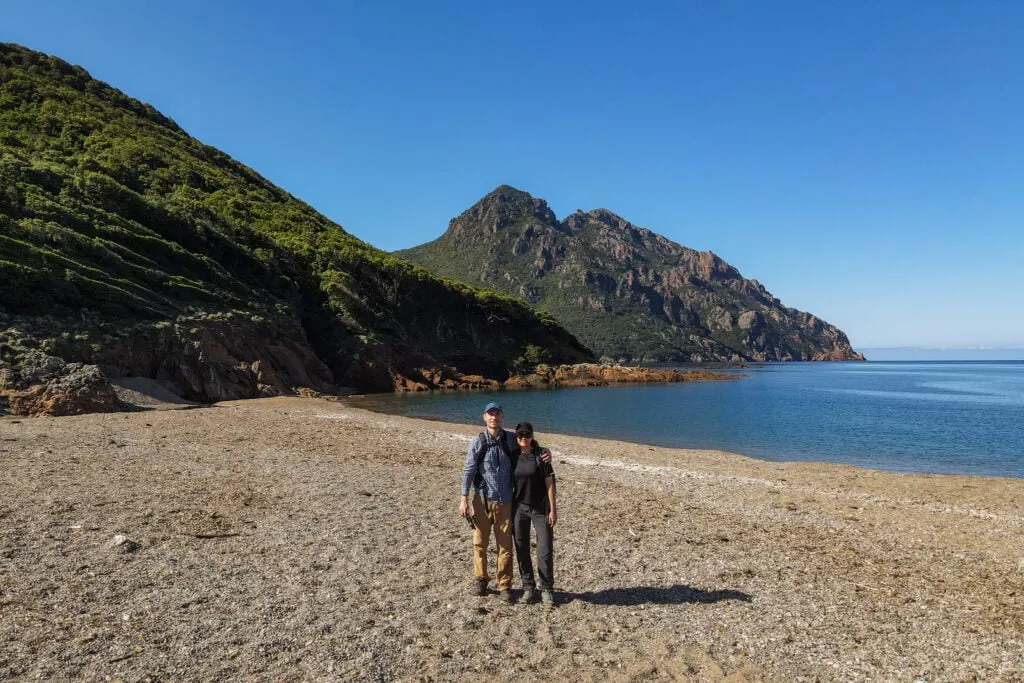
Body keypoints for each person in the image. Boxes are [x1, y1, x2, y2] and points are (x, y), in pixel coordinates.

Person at [459, 401, 518, 601]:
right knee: (480, 543)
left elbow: (530, 445)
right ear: (484, 417)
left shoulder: (511, 439)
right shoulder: (478, 442)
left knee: (505, 545)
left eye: (497, 414)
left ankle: (504, 585)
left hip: (506, 501)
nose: (494, 417)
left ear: (502, 417)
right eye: (490, 414)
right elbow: (468, 469)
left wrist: (545, 451)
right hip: (482, 500)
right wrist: (463, 498)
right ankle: (481, 579)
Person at [511, 421, 557, 606]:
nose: (524, 438)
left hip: (540, 508)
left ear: (532, 436)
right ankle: (528, 587)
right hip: (519, 508)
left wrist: (553, 509)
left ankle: (546, 588)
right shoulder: (512, 455)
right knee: (521, 547)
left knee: (544, 549)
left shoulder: (541, 455)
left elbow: (550, 483)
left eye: (527, 435)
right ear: (516, 437)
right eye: (521, 435)